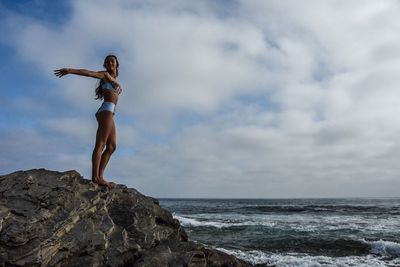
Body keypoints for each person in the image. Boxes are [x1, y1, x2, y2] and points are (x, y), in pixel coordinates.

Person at [54, 55, 122, 188]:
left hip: (109, 113)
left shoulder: (114, 79)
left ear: (116, 64)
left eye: (112, 61)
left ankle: (100, 176)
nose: (109, 63)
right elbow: (89, 73)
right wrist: (70, 70)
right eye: (107, 61)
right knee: (100, 145)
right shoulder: (105, 75)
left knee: (112, 147)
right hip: (106, 111)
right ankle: (96, 178)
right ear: (105, 65)